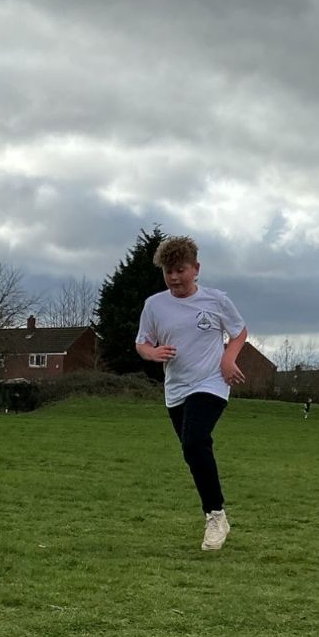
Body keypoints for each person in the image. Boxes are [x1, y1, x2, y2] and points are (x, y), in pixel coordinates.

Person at [135, 235, 247, 552]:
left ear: (196, 269)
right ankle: (217, 514)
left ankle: (214, 516)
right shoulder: (154, 305)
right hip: (176, 389)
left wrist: (228, 359)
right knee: (191, 450)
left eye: (180, 270)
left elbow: (239, 331)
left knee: (196, 440)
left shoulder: (216, 301)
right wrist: (152, 353)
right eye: (168, 272)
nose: (174, 278)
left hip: (211, 382)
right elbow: (142, 342)